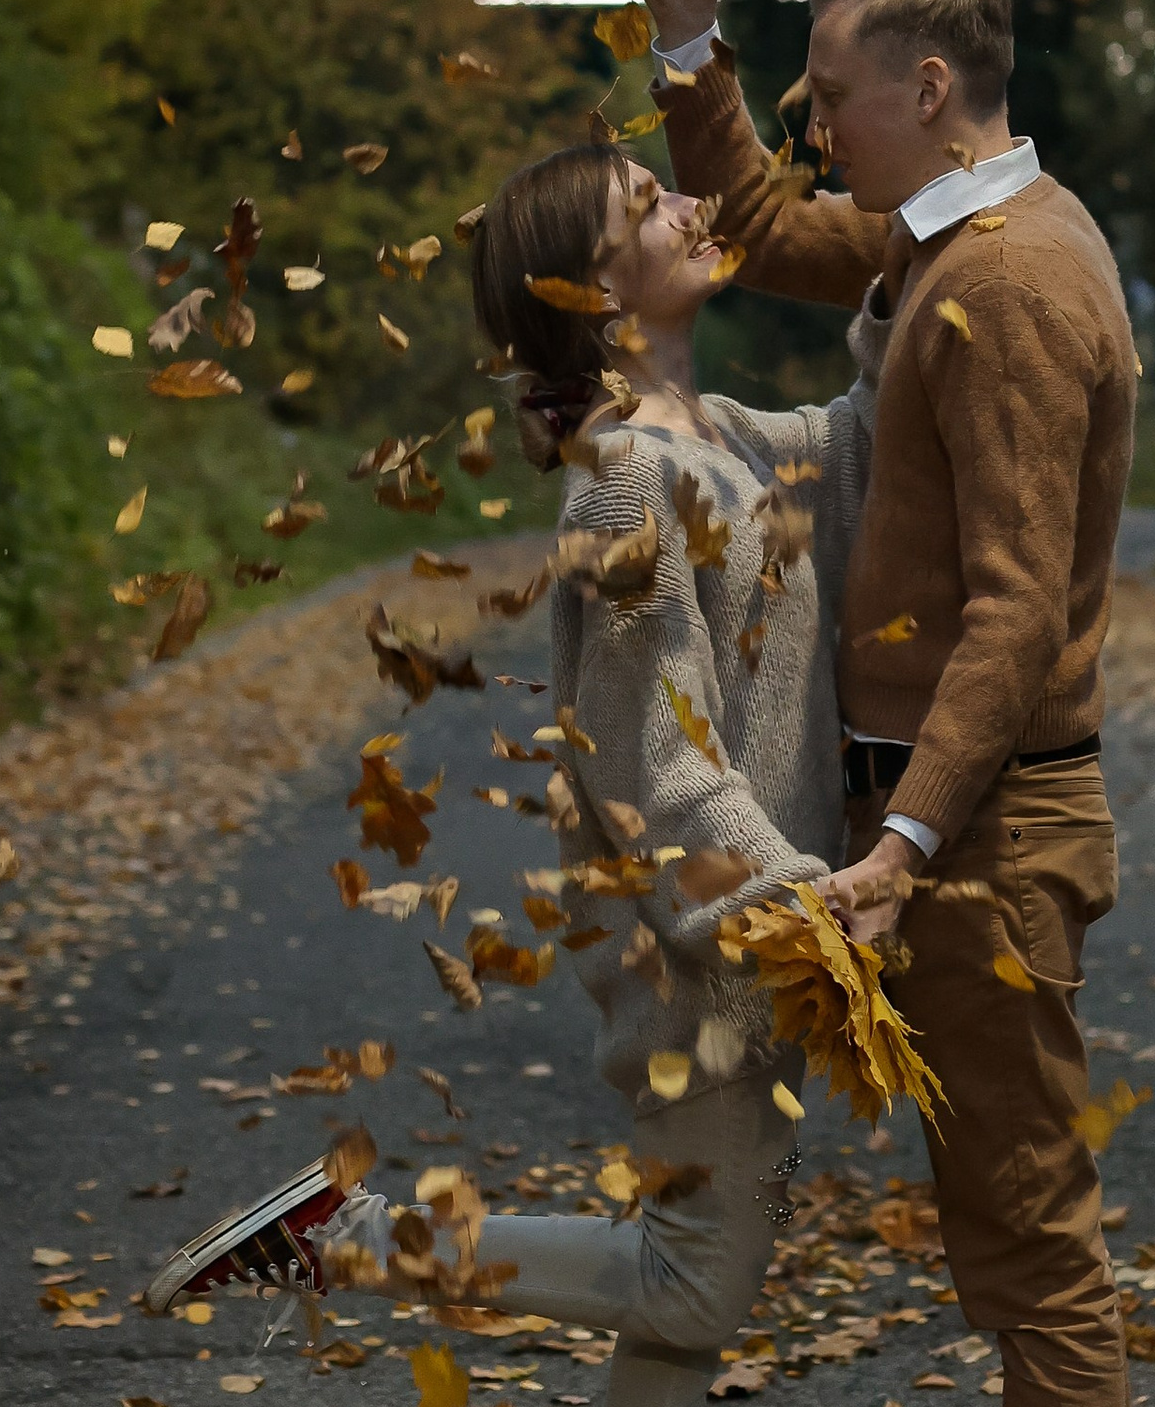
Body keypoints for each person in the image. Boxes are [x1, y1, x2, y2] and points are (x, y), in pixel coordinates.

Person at [144, 144, 879, 1407]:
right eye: (649, 205)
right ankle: (345, 1236)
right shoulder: (627, 481)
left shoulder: (724, 438)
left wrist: (916, 257)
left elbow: (859, 439)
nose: (692, 206)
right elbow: (662, 762)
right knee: (694, 1280)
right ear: (586, 292)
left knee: (683, 1312)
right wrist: (802, 905)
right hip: (706, 951)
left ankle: (341, 1236)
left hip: (753, 936)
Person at [633, 0, 1139, 1407]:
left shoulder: (1011, 282)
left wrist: (908, 841)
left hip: (981, 832)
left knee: (1027, 1247)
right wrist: (688, 35)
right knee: (993, 1234)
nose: (814, 121)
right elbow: (761, 227)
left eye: (834, 95)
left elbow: (1019, 606)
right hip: (927, 821)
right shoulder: (945, 243)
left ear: (930, 89)